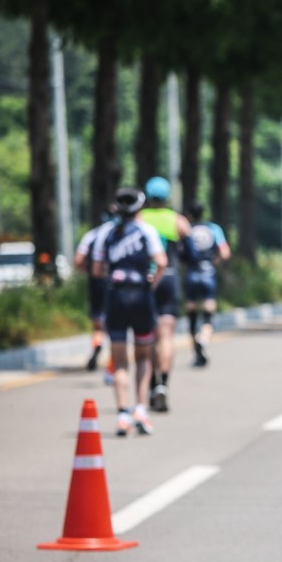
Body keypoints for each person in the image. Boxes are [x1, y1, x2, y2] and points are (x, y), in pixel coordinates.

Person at [92, 187, 167, 436]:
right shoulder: (146, 231)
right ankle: (141, 411)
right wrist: (151, 283)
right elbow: (162, 262)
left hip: (115, 298)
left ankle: (122, 414)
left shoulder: (107, 232)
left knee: (120, 360)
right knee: (143, 357)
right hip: (141, 297)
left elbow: (96, 269)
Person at [138, 176, 191, 412]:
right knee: (167, 335)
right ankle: (164, 384)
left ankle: (151, 383)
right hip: (169, 278)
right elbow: (191, 251)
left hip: (147, 280)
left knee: (148, 335)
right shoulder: (177, 220)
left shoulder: (140, 219)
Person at [182, 204, 230, 367]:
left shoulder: (186, 229)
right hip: (208, 274)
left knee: (192, 316)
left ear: (189, 215)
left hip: (191, 274)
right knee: (208, 315)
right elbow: (225, 253)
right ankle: (204, 339)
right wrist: (214, 262)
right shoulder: (213, 228)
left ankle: (196, 352)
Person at [76, 207, 115, 376]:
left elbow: (78, 260)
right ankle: (113, 365)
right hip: (116, 283)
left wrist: (90, 272)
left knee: (98, 323)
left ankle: (97, 344)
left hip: (96, 282)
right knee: (116, 328)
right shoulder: (121, 233)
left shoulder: (92, 235)